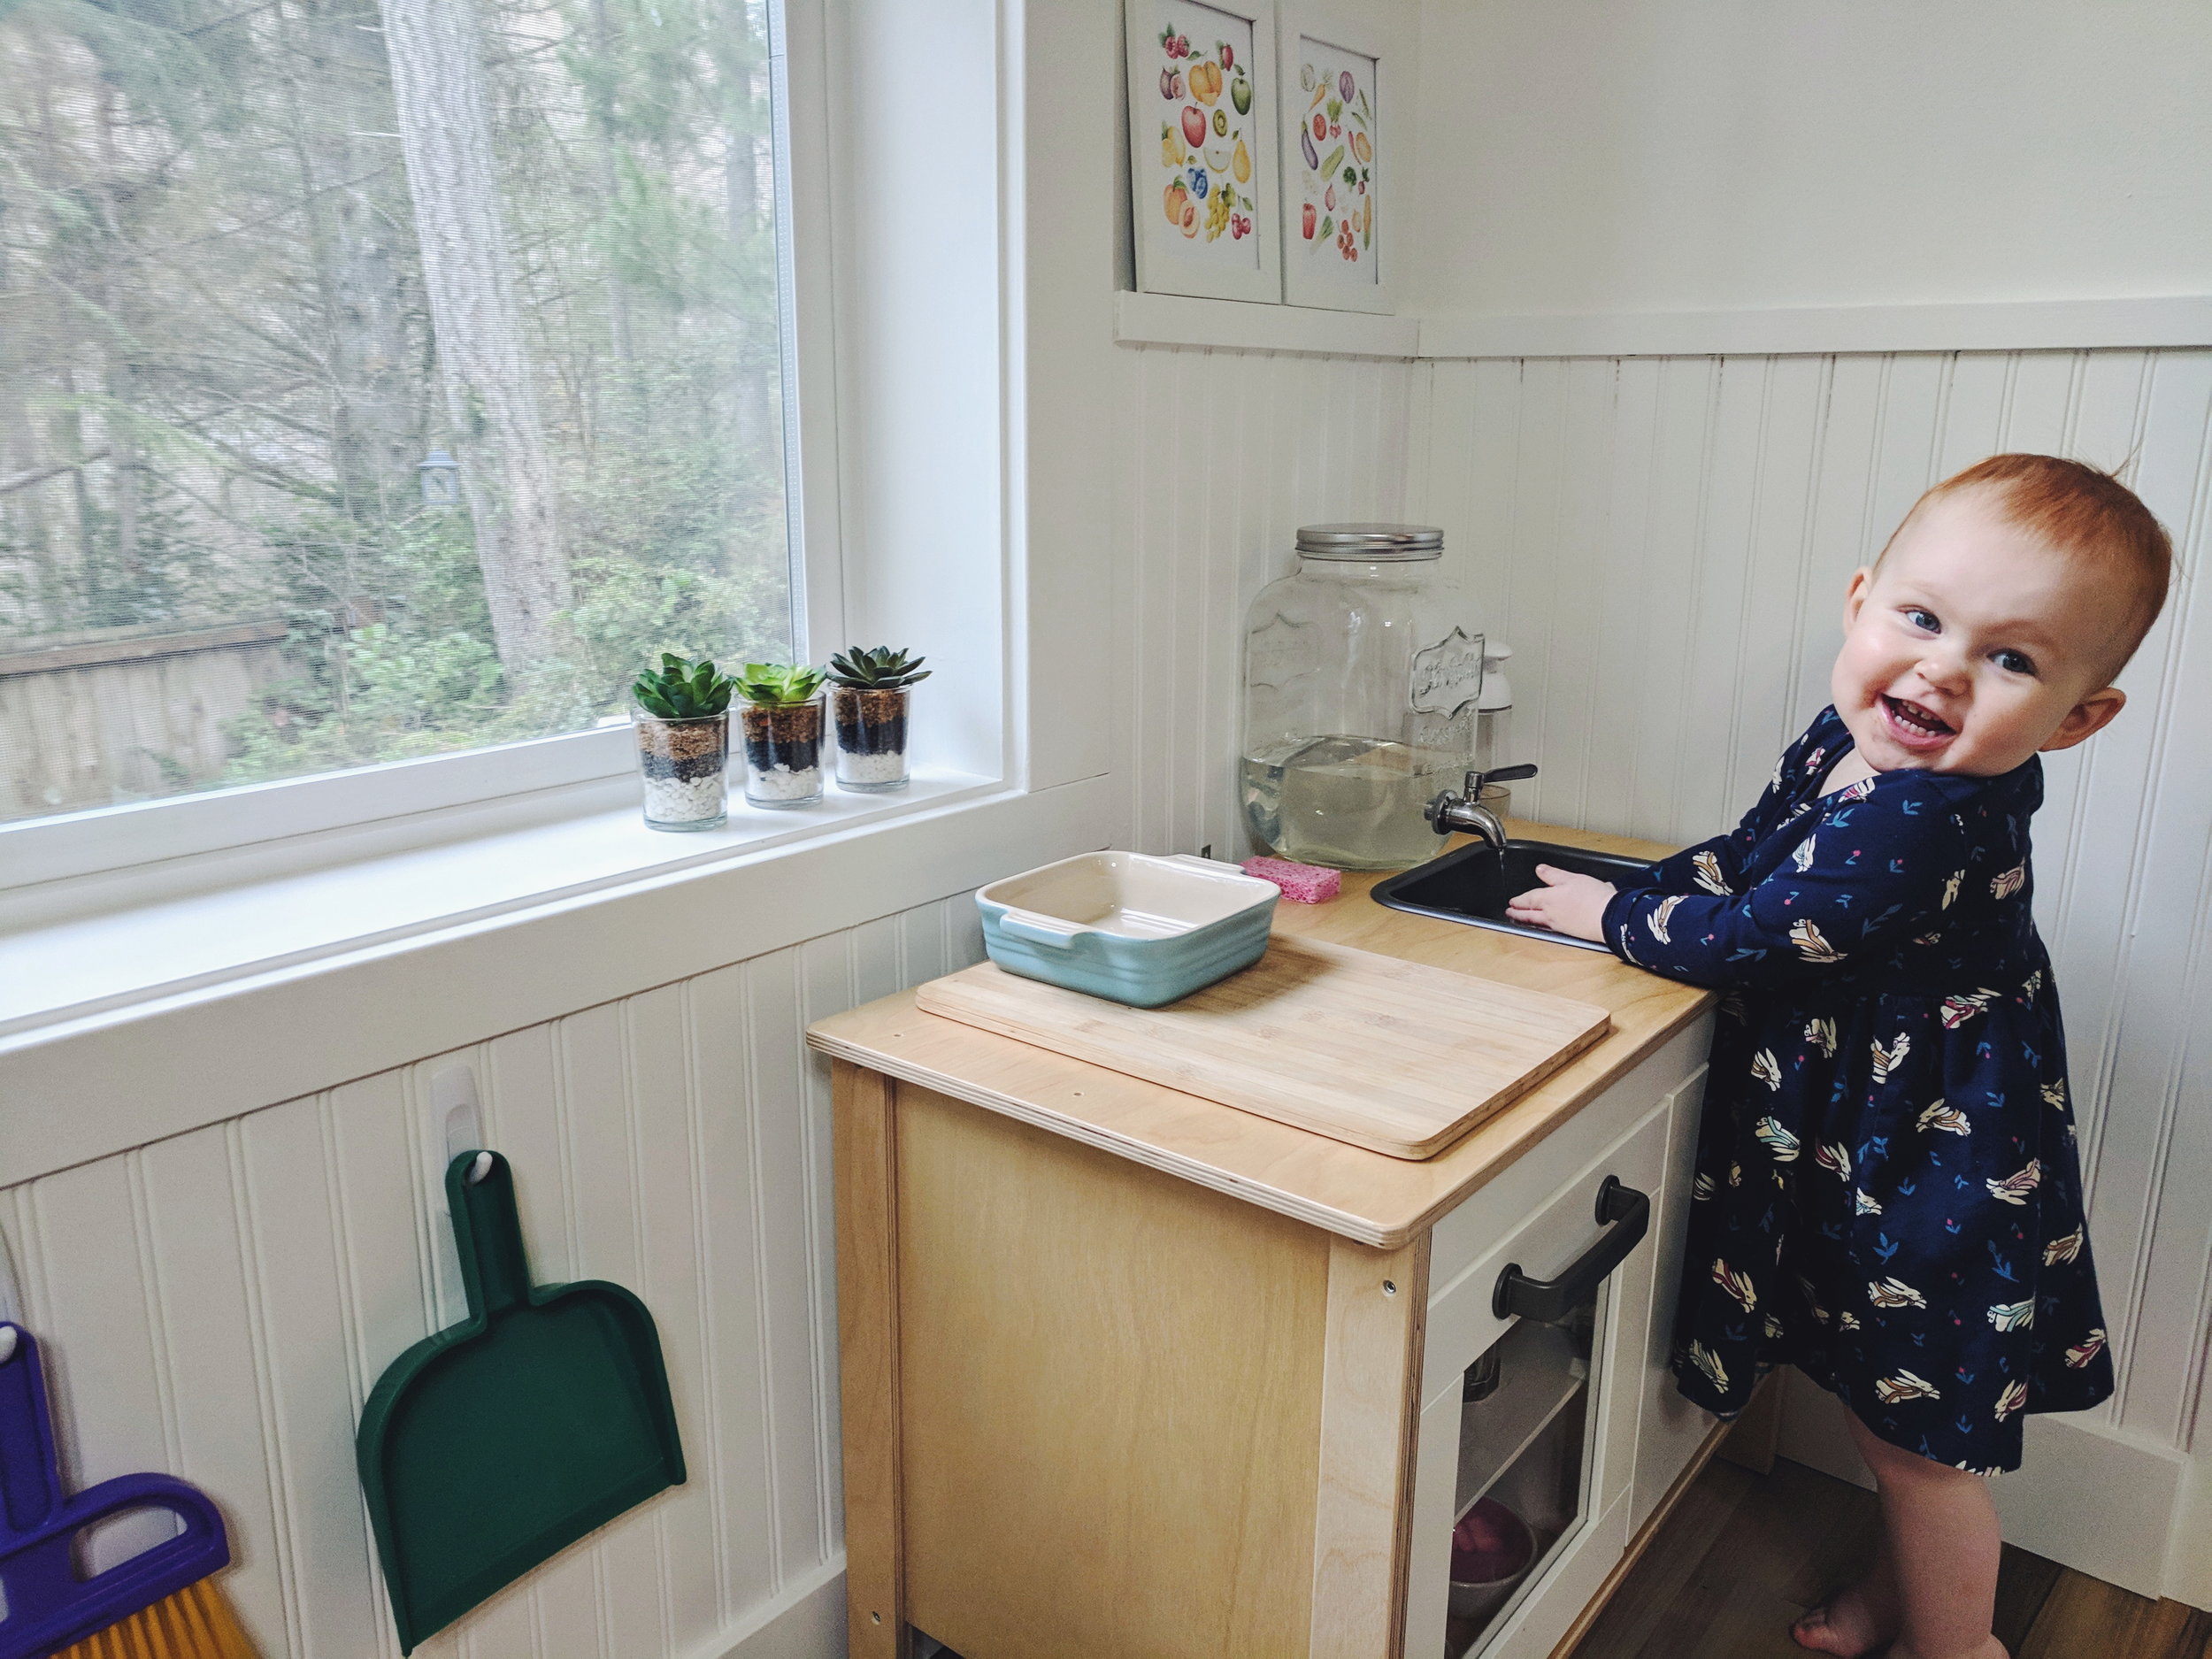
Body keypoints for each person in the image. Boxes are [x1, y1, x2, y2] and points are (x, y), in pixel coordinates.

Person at [1504, 454, 2171, 1659]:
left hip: (1933, 1156)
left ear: (2079, 717)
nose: (1942, 669)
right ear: (1862, 601)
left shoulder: (1929, 814)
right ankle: (1890, 1602)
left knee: (1922, 1450)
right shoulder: (1852, 743)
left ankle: (1957, 1646)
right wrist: (1638, 885)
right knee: (1891, 1420)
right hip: (1876, 1127)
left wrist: (1614, 922)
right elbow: (1761, 857)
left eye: (2011, 659)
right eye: (1921, 618)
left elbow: (1770, 928)